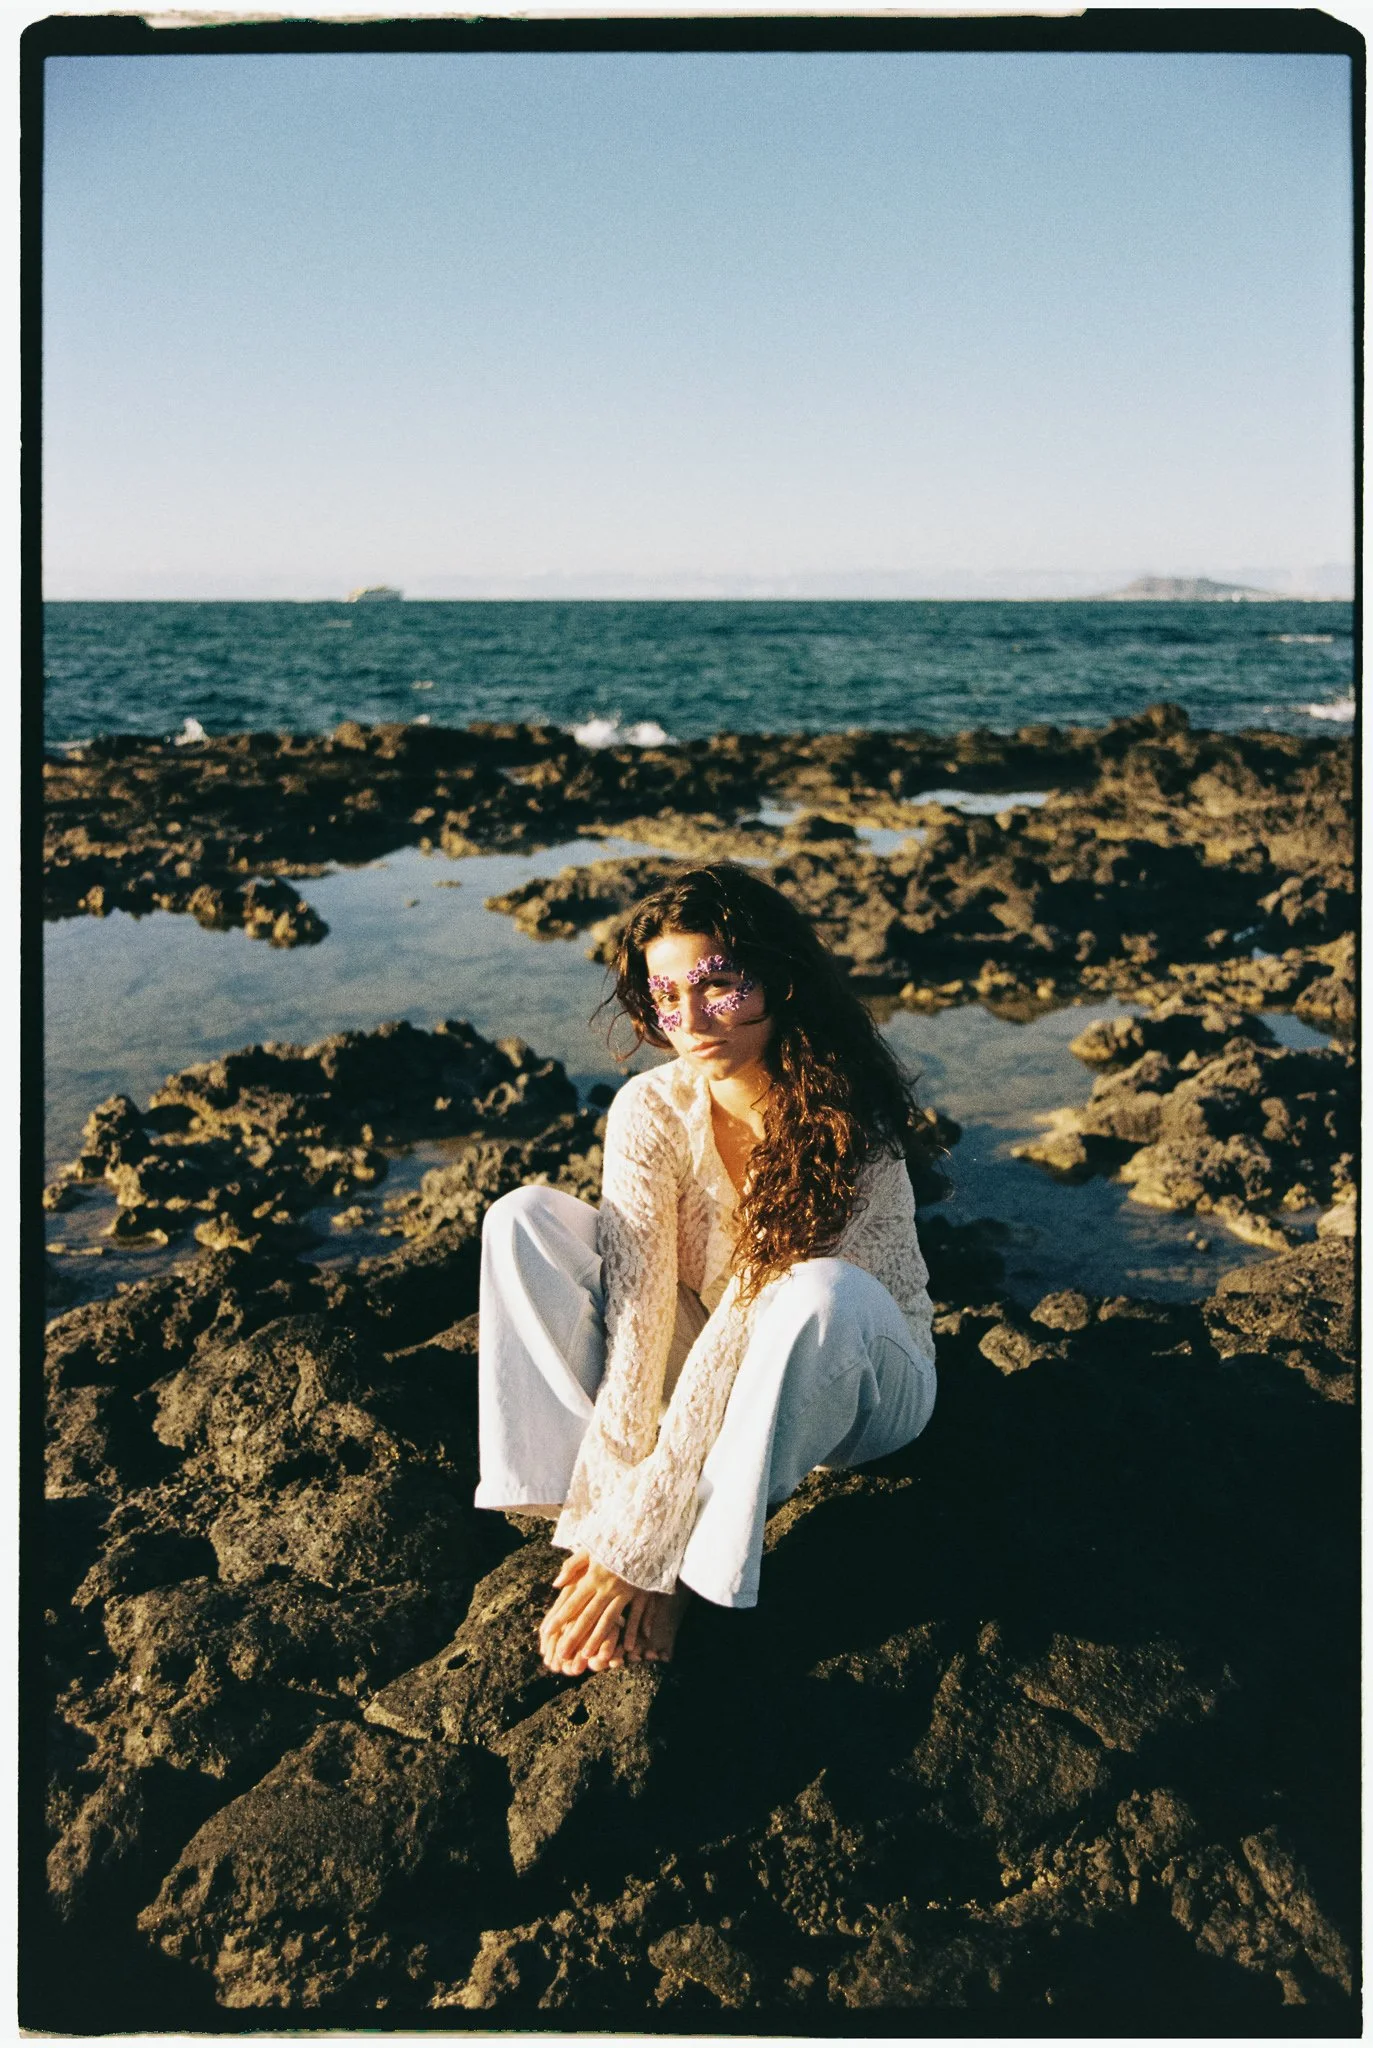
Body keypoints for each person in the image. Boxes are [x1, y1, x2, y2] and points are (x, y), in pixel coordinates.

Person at [474, 861, 937, 1677]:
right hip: (723, 1357)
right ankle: (567, 1506)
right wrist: (615, 1523)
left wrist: (653, 1553)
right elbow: (639, 1322)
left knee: (811, 1290)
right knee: (523, 1218)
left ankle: (700, 1575)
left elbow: (751, 1321)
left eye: (718, 984)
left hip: (861, 1383)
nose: (690, 1018)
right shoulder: (650, 1109)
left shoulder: (841, 1118)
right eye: (665, 995)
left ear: (778, 980)